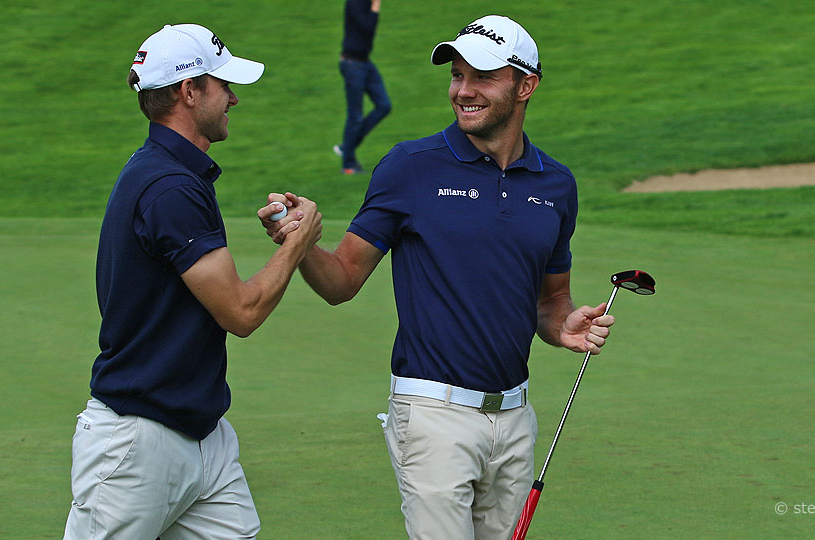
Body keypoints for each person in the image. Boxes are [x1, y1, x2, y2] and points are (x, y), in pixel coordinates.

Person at [260, 15, 614, 540]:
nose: (463, 91)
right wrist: (300, 241)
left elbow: (551, 299)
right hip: (431, 414)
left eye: (483, 77)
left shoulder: (556, 185)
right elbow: (342, 281)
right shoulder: (411, 166)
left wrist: (564, 325)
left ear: (526, 85)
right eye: (456, 75)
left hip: (515, 418)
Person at [63, 23, 321, 540]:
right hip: (138, 442)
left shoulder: (168, 175)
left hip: (203, 438)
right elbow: (241, 313)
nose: (234, 98)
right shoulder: (170, 187)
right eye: (223, 84)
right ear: (189, 91)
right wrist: (299, 244)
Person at [335, 0, 392, 174]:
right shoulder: (355, 2)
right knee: (356, 116)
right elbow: (368, 27)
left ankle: (347, 146)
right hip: (352, 65)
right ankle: (348, 165)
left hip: (365, 63)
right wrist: (375, 6)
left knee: (384, 105)